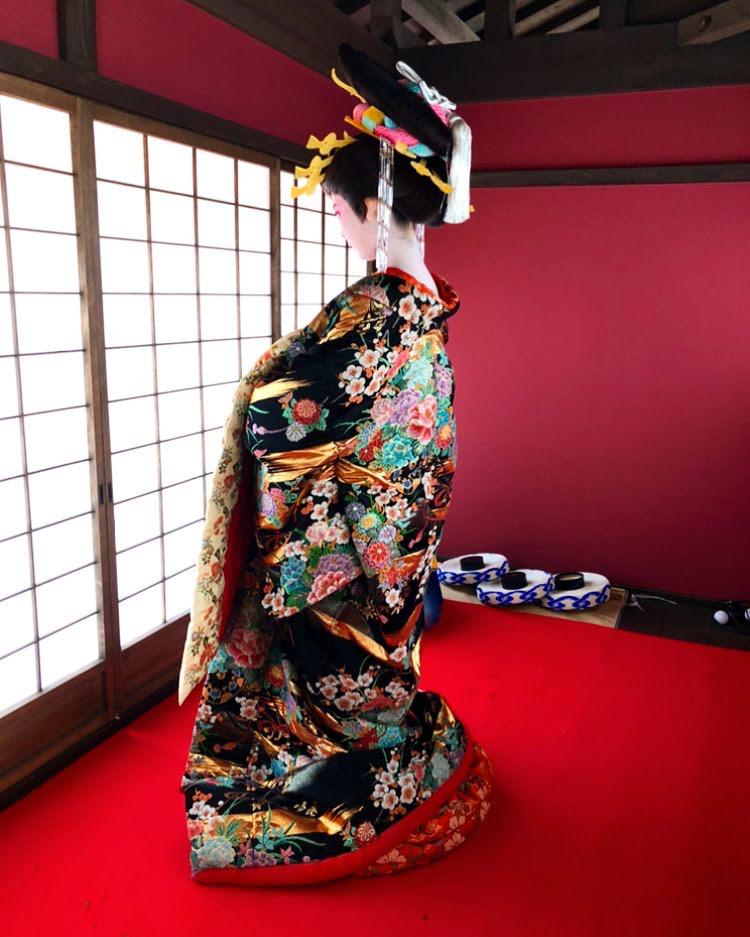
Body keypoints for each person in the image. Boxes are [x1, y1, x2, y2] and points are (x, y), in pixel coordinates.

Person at [176, 42, 493, 885]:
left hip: (342, 545)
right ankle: (376, 728)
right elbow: (413, 428)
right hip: (398, 523)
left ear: (372, 207)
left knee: (319, 676)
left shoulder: (371, 312)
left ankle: (331, 772)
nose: (341, 224)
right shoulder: (424, 308)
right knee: (380, 657)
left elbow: (283, 409)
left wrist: (262, 397)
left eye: (342, 210)